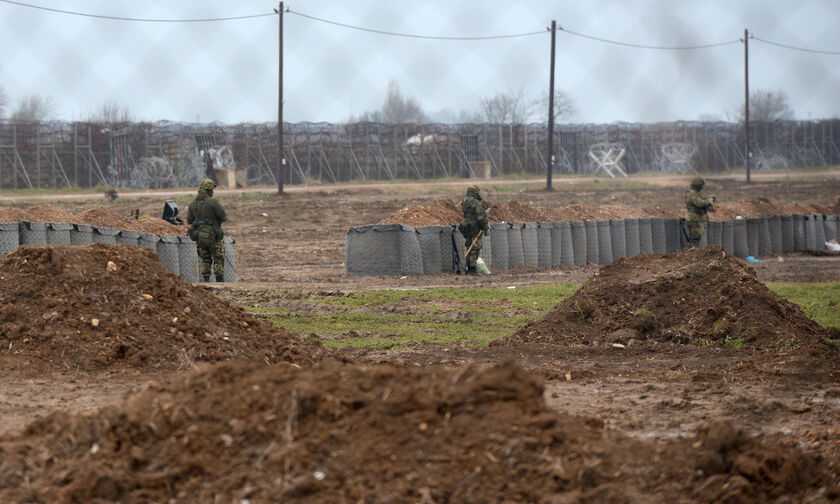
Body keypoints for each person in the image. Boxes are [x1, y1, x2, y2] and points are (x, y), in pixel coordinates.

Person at [187, 178, 227, 282]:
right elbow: (223, 216)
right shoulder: (212, 201)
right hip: (214, 236)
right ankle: (220, 281)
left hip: (200, 236)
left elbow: (189, 220)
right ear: (209, 190)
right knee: (218, 258)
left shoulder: (192, 203)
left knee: (205, 259)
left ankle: (206, 280)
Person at [459, 185, 489, 275]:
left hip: (467, 226)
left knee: (469, 245)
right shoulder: (476, 203)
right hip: (475, 227)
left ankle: (469, 267)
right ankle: (473, 268)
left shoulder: (464, 201)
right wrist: (485, 228)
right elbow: (480, 218)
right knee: (475, 247)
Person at [685, 176, 715, 248]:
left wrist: (708, 199)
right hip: (694, 218)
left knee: (697, 238)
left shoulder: (695, 193)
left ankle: (694, 252)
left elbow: (701, 201)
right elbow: (699, 203)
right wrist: (709, 201)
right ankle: (693, 253)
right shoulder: (692, 193)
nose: (702, 187)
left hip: (697, 218)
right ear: (697, 185)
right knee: (694, 239)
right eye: (701, 186)